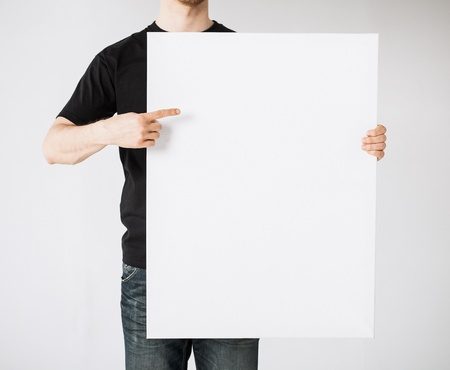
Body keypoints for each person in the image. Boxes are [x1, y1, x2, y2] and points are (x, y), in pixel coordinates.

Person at [42, 0, 387, 369]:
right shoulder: (119, 59)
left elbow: (295, 142)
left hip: (234, 267)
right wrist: (111, 129)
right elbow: (54, 146)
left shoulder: (251, 58)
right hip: (150, 272)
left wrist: (358, 146)